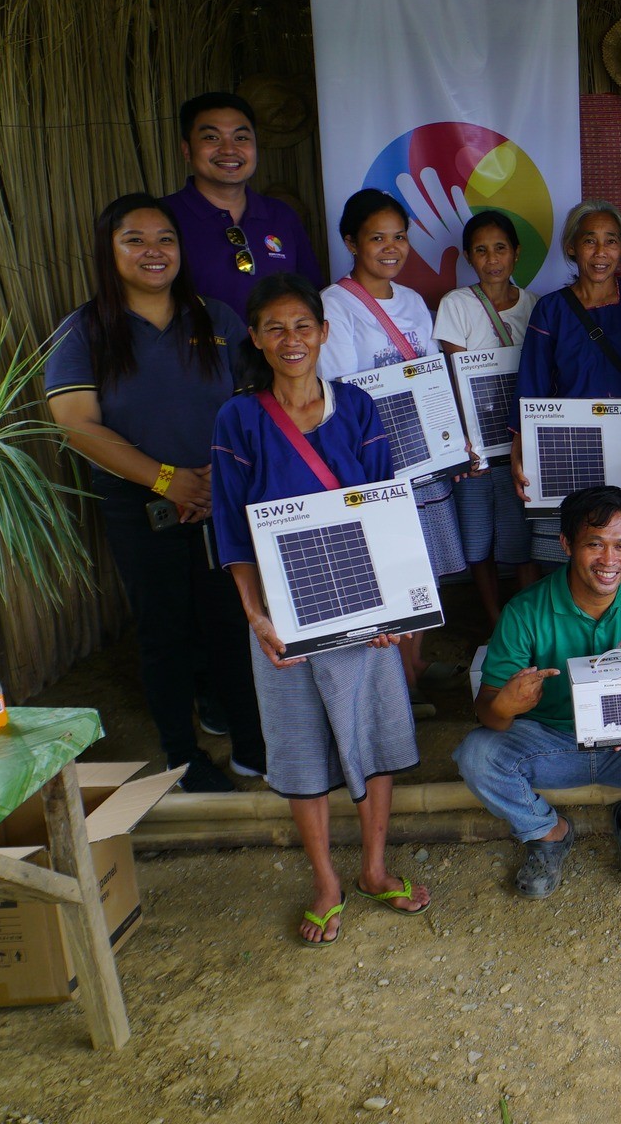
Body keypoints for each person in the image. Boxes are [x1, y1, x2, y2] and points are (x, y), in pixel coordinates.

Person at [210, 273, 432, 944]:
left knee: (377, 733)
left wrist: (392, 613)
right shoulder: (238, 419)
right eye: (275, 328)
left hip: (362, 606)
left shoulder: (357, 408)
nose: (291, 339)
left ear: (324, 332)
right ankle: (326, 882)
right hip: (284, 615)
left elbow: (387, 507)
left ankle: (373, 868)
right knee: (299, 744)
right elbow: (231, 529)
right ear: (255, 338)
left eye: (303, 326)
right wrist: (255, 615)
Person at [44, 193, 263, 793]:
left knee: (231, 621)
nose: (153, 251)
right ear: (108, 250)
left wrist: (221, 476)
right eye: (134, 240)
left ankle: (251, 743)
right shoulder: (85, 330)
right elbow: (77, 424)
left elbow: (251, 403)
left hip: (221, 499)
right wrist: (168, 479)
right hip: (140, 506)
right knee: (164, 632)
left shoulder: (216, 318)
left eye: (165, 238)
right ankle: (182, 755)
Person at [454, 486, 621, 897]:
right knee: (476, 755)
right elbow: (488, 714)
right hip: (550, 744)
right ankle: (548, 832)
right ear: (566, 544)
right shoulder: (525, 610)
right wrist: (505, 706)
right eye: (594, 544)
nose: (609, 560)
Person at [319, 189, 466, 716]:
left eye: (399, 237)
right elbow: (343, 391)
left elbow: (432, 376)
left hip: (423, 455)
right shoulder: (333, 305)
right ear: (351, 242)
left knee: (427, 566)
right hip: (375, 458)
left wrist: (451, 442)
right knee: (393, 568)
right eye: (377, 237)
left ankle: (415, 665)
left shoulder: (413, 302)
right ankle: (397, 685)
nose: (390, 247)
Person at [512, 201, 621, 578]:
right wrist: (521, 449)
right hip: (567, 444)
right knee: (563, 552)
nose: (600, 252)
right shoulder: (551, 309)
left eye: (610, 241)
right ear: (571, 247)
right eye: (589, 241)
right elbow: (532, 383)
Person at [435, 210, 540, 627]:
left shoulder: (536, 306)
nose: (492, 259)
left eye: (500, 248)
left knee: (523, 537)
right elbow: (454, 380)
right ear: (468, 257)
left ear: (516, 253)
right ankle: (496, 622)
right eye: (481, 250)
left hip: (520, 441)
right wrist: (463, 443)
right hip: (475, 445)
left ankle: (527, 623)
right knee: (478, 541)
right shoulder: (456, 305)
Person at [162, 91, 323, 321]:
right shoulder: (162, 217)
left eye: (241, 138)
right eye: (212, 137)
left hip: (275, 346)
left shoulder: (281, 216)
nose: (229, 149)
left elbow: (311, 298)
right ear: (187, 150)